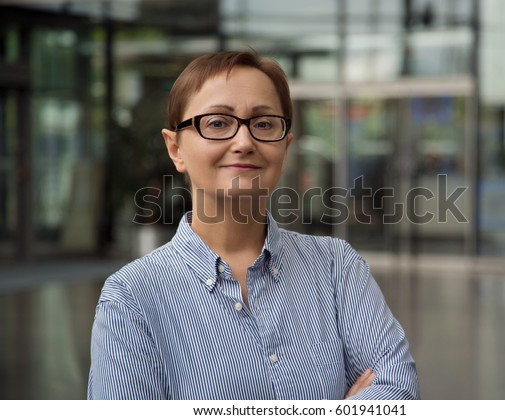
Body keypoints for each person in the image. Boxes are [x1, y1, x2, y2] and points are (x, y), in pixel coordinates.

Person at [88, 50, 419, 400]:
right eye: (217, 123)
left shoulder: (337, 267)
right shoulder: (131, 299)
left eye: (263, 124)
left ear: (285, 146)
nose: (244, 142)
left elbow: (397, 389)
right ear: (176, 148)